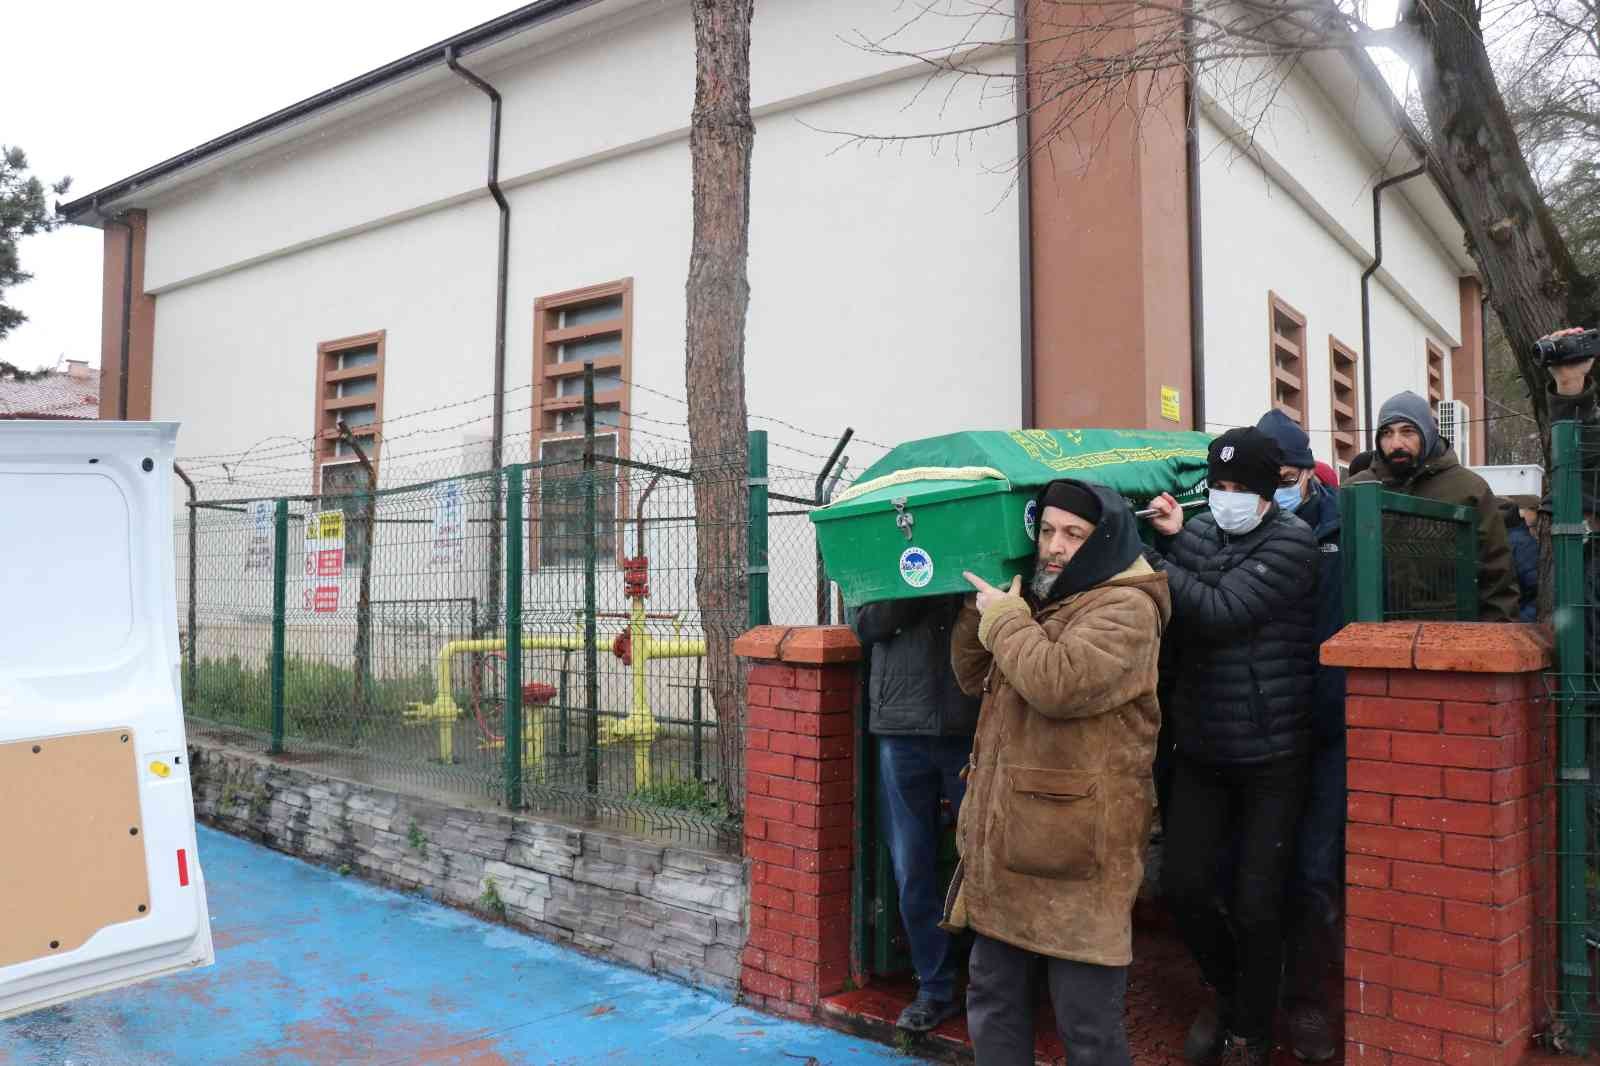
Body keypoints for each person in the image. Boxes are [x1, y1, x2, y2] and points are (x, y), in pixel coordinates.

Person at [945, 479, 1170, 1066]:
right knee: (993, 998)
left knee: (1086, 1026)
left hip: (1078, 857)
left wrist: (1007, 622)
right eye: (1046, 530)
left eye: (1073, 533)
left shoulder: (1128, 606)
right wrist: (981, 613)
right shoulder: (1042, 598)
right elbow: (975, 679)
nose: (1054, 546)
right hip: (1005, 844)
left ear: (1106, 539)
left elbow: (1060, 683)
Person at [1144, 427, 1320, 1066]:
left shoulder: (1294, 545)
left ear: (1270, 490)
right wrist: (1169, 533)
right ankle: (1227, 987)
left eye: (1240, 488)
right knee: (1182, 886)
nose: (1226, 499)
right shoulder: (1197, 532)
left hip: (1272, 753)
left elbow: (1219, 608)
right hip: (1200, 745)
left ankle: (1249, 1025)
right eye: (1217, 488)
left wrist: (1156, 561)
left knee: (1257, 898)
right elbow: (1195, 570)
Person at [1255, 411, 1346, 1062]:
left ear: (1306, 472)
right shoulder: (1245, 528)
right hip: (1265, 729)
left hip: (1328, 728)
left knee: (1314, 874)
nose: (1278, 490)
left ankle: (1309, 1003)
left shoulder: (1350, 531)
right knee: (1253, 870)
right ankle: (1244, 1000)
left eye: (1287, 477)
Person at [850, 593, 978, 1032]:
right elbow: (864, 624)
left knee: (988, 861)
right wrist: (920, 585)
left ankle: (993, 989)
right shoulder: (886, 531)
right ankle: (935, 989)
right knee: (911, 867)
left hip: (971, 723)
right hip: (901, 726)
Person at [1349, 391, 1518, 622]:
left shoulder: (1468, 489)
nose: (1396, 443)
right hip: (1373, 639)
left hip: (1450, 640)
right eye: (1387, 433)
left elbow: (1496, 576)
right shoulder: (1357, 489)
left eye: (1407, 432)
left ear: (1428, 433)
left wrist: (1492, 646)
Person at [1497, 497, 1539, 622]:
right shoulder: (1522, 541)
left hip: (1514, 621)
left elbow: (1535, 588)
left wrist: (1521, 621)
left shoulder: (1518, 543)